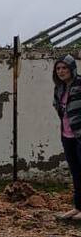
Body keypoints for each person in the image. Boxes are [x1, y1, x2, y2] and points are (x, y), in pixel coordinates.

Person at [52, 55, 81, 221]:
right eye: (58, 68)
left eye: (64, 68)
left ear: (71, 68)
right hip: (67, 135)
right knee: (76, 173)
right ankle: (77, 207)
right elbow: (59, 108)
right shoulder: (60, 88)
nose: (61, 71)